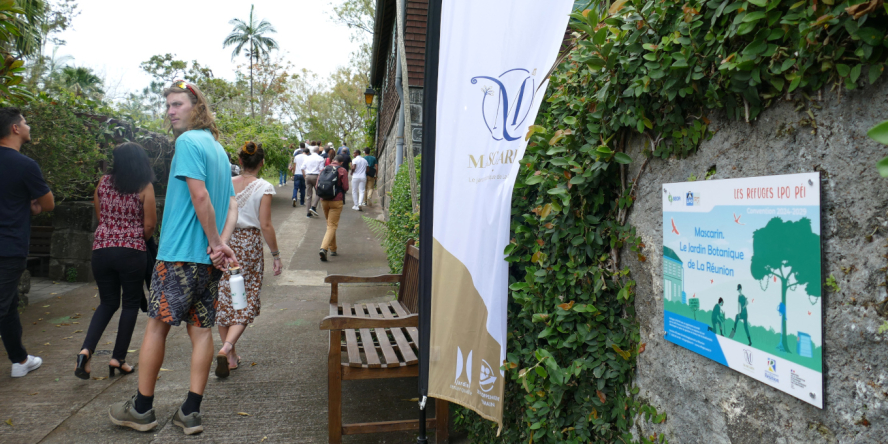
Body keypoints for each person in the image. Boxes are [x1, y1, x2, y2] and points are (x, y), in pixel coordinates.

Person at [109, 80, 238, 436]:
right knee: (202, 333)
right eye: (168, 105)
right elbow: (232, 205)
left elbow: (200, 198)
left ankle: (142, 408)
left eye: (177, 104)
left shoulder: (187, 142)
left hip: (179, 256)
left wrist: (214, 242)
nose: (170, 111)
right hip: (207, 262)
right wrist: (220, 247)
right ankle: (191, 412)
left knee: (156, 328)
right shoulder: (218, 149)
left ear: (197, 106)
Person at [75, 143, 157, 381]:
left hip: (101, 250)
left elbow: (101, 216)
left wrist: (112, 234)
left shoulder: (103, 182)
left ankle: (85, 351)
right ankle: (117, 359)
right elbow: (150, 225)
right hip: (131, 251)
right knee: (130, 304)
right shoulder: (144, 186)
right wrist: (132, 240)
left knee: (107, 303)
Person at [214, 141, 282, 378]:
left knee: (225, 296)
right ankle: (227, 348)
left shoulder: (226, 185)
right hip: (250, 246)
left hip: (225, 242)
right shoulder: (264, 187)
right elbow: (265, 225)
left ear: (240, 161)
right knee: (246, 297)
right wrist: (276, 255)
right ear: (261, 163)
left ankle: (231, 358)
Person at [0, 107, 53, 378]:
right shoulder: (25, 165)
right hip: (8, 246)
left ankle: (20, 360)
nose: (28, 126)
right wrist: (32, 205)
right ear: (15, 129)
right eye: (25, 122)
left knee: (8, 306)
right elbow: (48, 203)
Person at [319, 155, 350, 262]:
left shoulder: (324, 169)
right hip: (336, 200)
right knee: (332, 225)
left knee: (330, 225)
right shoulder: (342, 170)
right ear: (341, 162)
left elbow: (317, 185)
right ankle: (323, 248)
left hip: (324, 200)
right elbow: (346, 187)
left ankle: (333, 249)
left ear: (333, 161)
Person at [303, 146, 325, 218]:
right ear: (318, 151)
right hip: (316, 176)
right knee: (319, 192)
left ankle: (308, 213)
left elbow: (302, 168)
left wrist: (304, 176)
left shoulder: (307, 158)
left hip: (308, 176)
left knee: (308, 195)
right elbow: (321, 169)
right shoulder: (320, 158)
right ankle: (313, 206)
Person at [290, 142, 307, 207]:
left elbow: (294, 166)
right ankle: (302, 202)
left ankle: (294, 197)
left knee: (295, 187)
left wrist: (293, 173)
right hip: (303, 174)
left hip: (297, 173)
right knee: (303, 188)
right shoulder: (306, 157)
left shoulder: (296, 157)